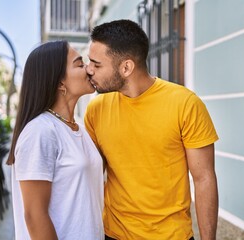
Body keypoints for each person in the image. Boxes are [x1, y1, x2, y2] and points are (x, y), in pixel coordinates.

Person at [84, 19, 219, 240]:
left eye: (97, 64)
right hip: (113, 234)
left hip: (171, 235)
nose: (89, 70)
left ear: (126, 67)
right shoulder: (96, 109)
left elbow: (204, 178)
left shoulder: (185, 104)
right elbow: (92, 176)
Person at [7, 40, 104, 240]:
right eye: (79, 64)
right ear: (60, 83)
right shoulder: (40, 132)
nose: (88, 69)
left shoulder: (79, 128)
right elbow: (34, 216)